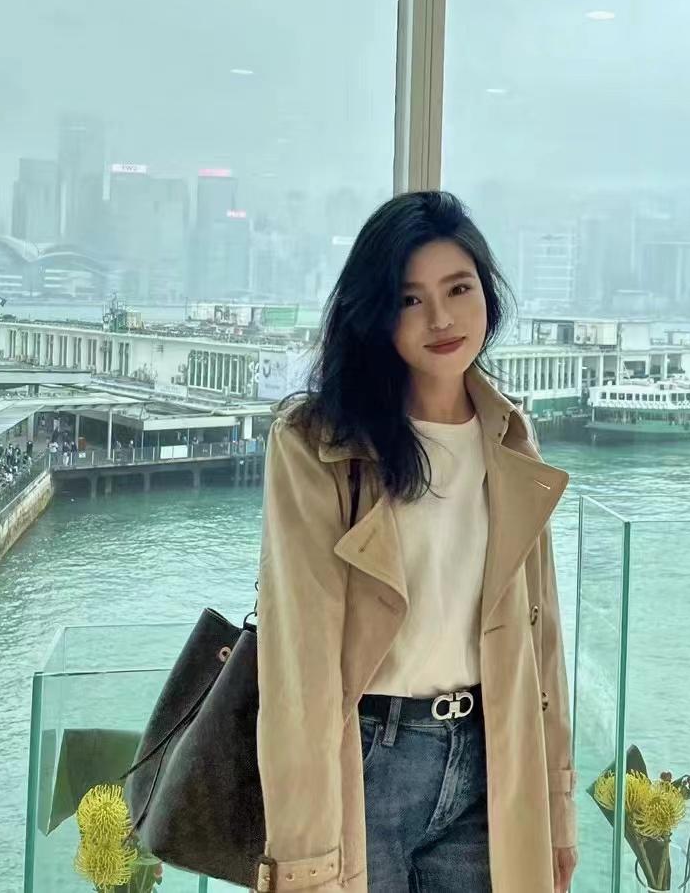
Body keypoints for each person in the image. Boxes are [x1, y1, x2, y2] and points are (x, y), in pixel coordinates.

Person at [256, 192, 577, 893]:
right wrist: (303, 859)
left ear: (487, 295)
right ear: (376, 314)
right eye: (410, 299)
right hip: (368, 761)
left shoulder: (511, 437)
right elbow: (298, 664)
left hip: (492, 764)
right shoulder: (317, 444)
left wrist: (556, 807)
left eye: (459, 289)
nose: (440, 318)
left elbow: (542, 642)